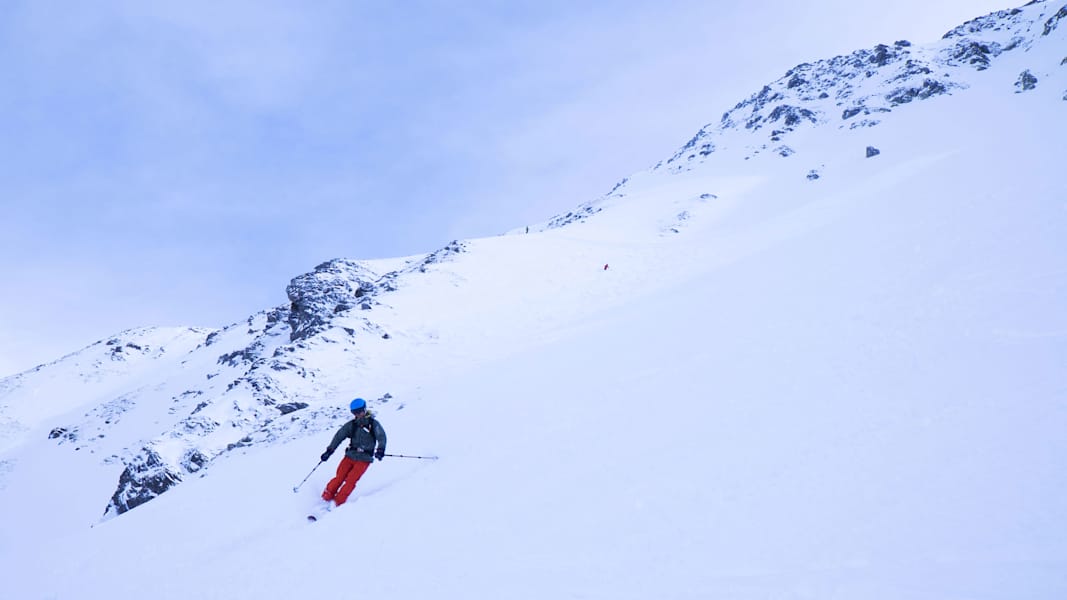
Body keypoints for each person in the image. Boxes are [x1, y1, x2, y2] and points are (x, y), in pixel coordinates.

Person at [319, 398, 387, 506]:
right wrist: (329, 450)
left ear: (364, 409)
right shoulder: (352, 425)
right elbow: (339, 436)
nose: (358, 414)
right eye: (355, 412)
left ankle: (337, 503)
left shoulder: (373, 424)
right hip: (350, 455)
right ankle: (325, 497)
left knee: (350, 481)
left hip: (364, 459)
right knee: (339, 477)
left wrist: (380, 449)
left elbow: (381, 437)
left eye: (360, 411)